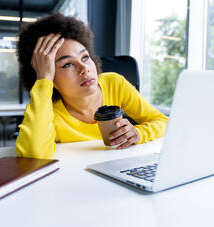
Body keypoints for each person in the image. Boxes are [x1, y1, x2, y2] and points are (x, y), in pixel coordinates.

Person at [15, 13, 168, 159]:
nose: (85, 68)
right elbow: (34, 155)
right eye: (67, 64)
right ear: (50, 77)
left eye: (85, 57)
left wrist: (139, 133)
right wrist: (43, 80)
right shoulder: (48, 111)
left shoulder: (114, 83)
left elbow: (163, 121)